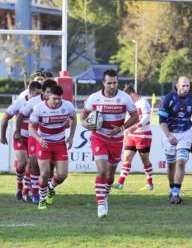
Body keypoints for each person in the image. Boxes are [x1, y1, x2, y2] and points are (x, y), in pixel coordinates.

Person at [81, 69, 139, 219]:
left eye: (115, 83)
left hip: (117, 139)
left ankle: (104, 194)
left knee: (110, 175)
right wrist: (84, 123)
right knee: (102, 169)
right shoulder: (94, 98)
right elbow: (83, 115)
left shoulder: (125, 98)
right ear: (103, 83)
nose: (112, 86)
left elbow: (135, 116)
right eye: (109, 83)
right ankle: (100, 204)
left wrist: (121, 128)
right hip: (99, 137)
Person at [29, 82, 76, 210]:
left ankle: (51, 187)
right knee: (44, 173)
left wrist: (71, 136)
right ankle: (42, 198)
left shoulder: (68, 106)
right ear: (47, 97)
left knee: (62, 175)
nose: (56, 101)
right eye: (54, 98)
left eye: (59, 99)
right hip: (44, 144)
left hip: (60, 143)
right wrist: (39, 139)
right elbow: (31, 128)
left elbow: (74, 118)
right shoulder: (39, 108)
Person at [159, 76, 192, 204]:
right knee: (171, 165)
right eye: (183, 86)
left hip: (185, 133)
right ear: (177, 86)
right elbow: (161, 121)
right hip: (170, 133)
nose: (185, 88)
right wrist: (169, 136)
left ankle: (176, 194)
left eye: (187, 86)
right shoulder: (168, 99)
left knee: (181, 163)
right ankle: (172, 189)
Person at [0, 81, 42, 201]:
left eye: (41, 93)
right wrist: (2, 135)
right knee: (23, 163)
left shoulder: (41, 103)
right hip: (20, 137)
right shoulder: (19, 103)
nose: (39, 96)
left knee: (32, 165)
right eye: (37, 93)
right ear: (30, 92)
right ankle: (19, 185)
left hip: (33, 138)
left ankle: (25, 190)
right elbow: (5, 117)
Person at [114, 84, 154, 191]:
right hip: (131, 135)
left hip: (143, 135)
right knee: (127, 158)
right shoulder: (129, 105)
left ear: (131, 94)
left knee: (145, 160)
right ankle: (120, 183)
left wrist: (135, 127)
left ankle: (150, 183)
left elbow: (146, 118)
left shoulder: (143, 103)